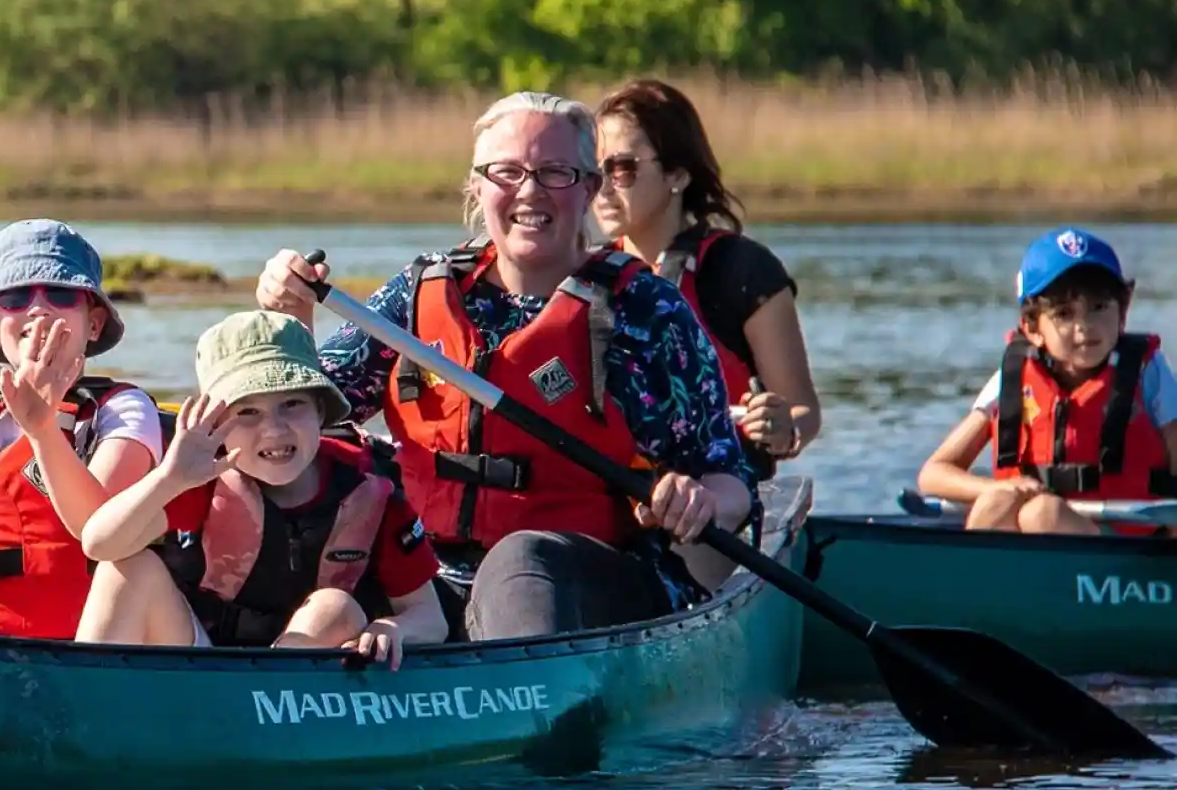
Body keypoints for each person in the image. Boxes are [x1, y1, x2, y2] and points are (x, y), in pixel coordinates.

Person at [254, 91, 759, 642]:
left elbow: (729, 476)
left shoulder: (648, 312)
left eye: (555, 172)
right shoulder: (417, 295)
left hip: (584, 578)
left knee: (518, 562)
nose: (530, 191)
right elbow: (307, 413)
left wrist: (698, 498)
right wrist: (293, 319)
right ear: (477, 186)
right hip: (424, 579)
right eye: (507, 172)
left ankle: (526, 708)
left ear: (589, 188)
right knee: (328, 597)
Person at [73, 311, 446, 669]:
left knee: (334, 608)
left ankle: (266, 699)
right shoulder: (199, 477)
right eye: (248, 412)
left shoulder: (369, 488)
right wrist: (170, 478)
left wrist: (392, 628)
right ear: (217, 424)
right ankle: (85, 712)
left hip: (298, 686)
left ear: (321, 411)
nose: (274, 430)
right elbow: (99, 544)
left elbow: (431, 617)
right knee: (126, 566)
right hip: (204, 667)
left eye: (292, 404)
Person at [0, 219, 164, 638]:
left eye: (62, 294)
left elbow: (99, 533)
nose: (38, 308)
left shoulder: (123, 410)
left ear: (94, 324)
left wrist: (42, 429)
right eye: (14, 296)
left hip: (83, 651)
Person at [593, 79, 822, 484]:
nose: (604, 187)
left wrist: (784, 430)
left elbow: (803, 411)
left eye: (623, 167)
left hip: (721, 496)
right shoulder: (589, 274)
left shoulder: (742, 270)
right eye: (594, 169)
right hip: (621, 495)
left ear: (678, 175)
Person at [916, 227, 1176, 536]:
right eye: (1064, 313)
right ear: (1031, 326)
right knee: (996, 503)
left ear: (1124, 309)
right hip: (1040, 540)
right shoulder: (1013, 378)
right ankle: (979, 580)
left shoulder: (1149, 372)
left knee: (1043, 514)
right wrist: (1001, 490)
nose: (1085, 327)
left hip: (1128, 551)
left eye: (1099, 307)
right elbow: (933, 474)